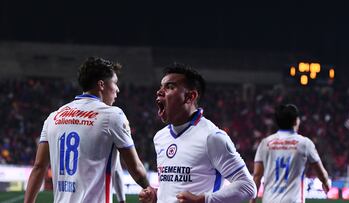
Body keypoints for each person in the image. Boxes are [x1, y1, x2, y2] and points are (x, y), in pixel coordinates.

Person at [24, 57, 150, 203]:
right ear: (101, 85)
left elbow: (39, 167)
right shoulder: (112, 115)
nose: (117, 89)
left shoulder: (53, 117)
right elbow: (136, 168)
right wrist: (149, 189)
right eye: (115, 83)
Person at [139, 64, 257, 203]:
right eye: (161, 86)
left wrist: (203, 200)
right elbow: (175, 188)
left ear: (190, 96)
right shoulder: (160, 137)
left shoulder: (212, 137)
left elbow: (248, 187)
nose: (160, 92)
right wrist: (156, 195)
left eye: (170, 87)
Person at [250, 104, 330, 203]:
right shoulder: (304, 144)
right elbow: (321, 173)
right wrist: (326, 184)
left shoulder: (265, 143)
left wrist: (252, 201)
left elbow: (257, 175)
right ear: (295, 121)